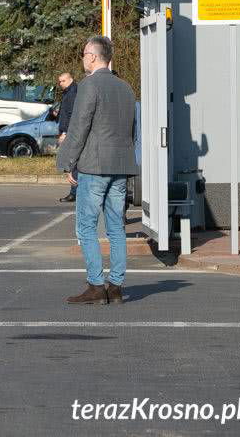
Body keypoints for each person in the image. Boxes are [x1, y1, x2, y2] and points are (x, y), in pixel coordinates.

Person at [57, 36, 137, 305]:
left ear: (92, 56)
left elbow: (79, 128)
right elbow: (131, 130)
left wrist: (68, 163)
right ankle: (115, 286)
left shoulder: (89, 86)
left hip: (94, 166)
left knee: (87, 226)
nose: (82, 59)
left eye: (83, 54)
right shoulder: (126, 88)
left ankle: (95, 285)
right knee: (116, 227)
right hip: (121, 165)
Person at [56, 72, 78, 203]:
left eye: (63, 81)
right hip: (69, 131)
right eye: (59, 81)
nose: (60, 84)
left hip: (70, 133)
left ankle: (74, 192)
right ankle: (74, 191)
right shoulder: (68, 92)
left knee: (72, 162)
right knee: (72, 162)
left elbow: (72, 114)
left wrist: (65, 132)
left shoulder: (73, 93)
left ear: (70, 79)